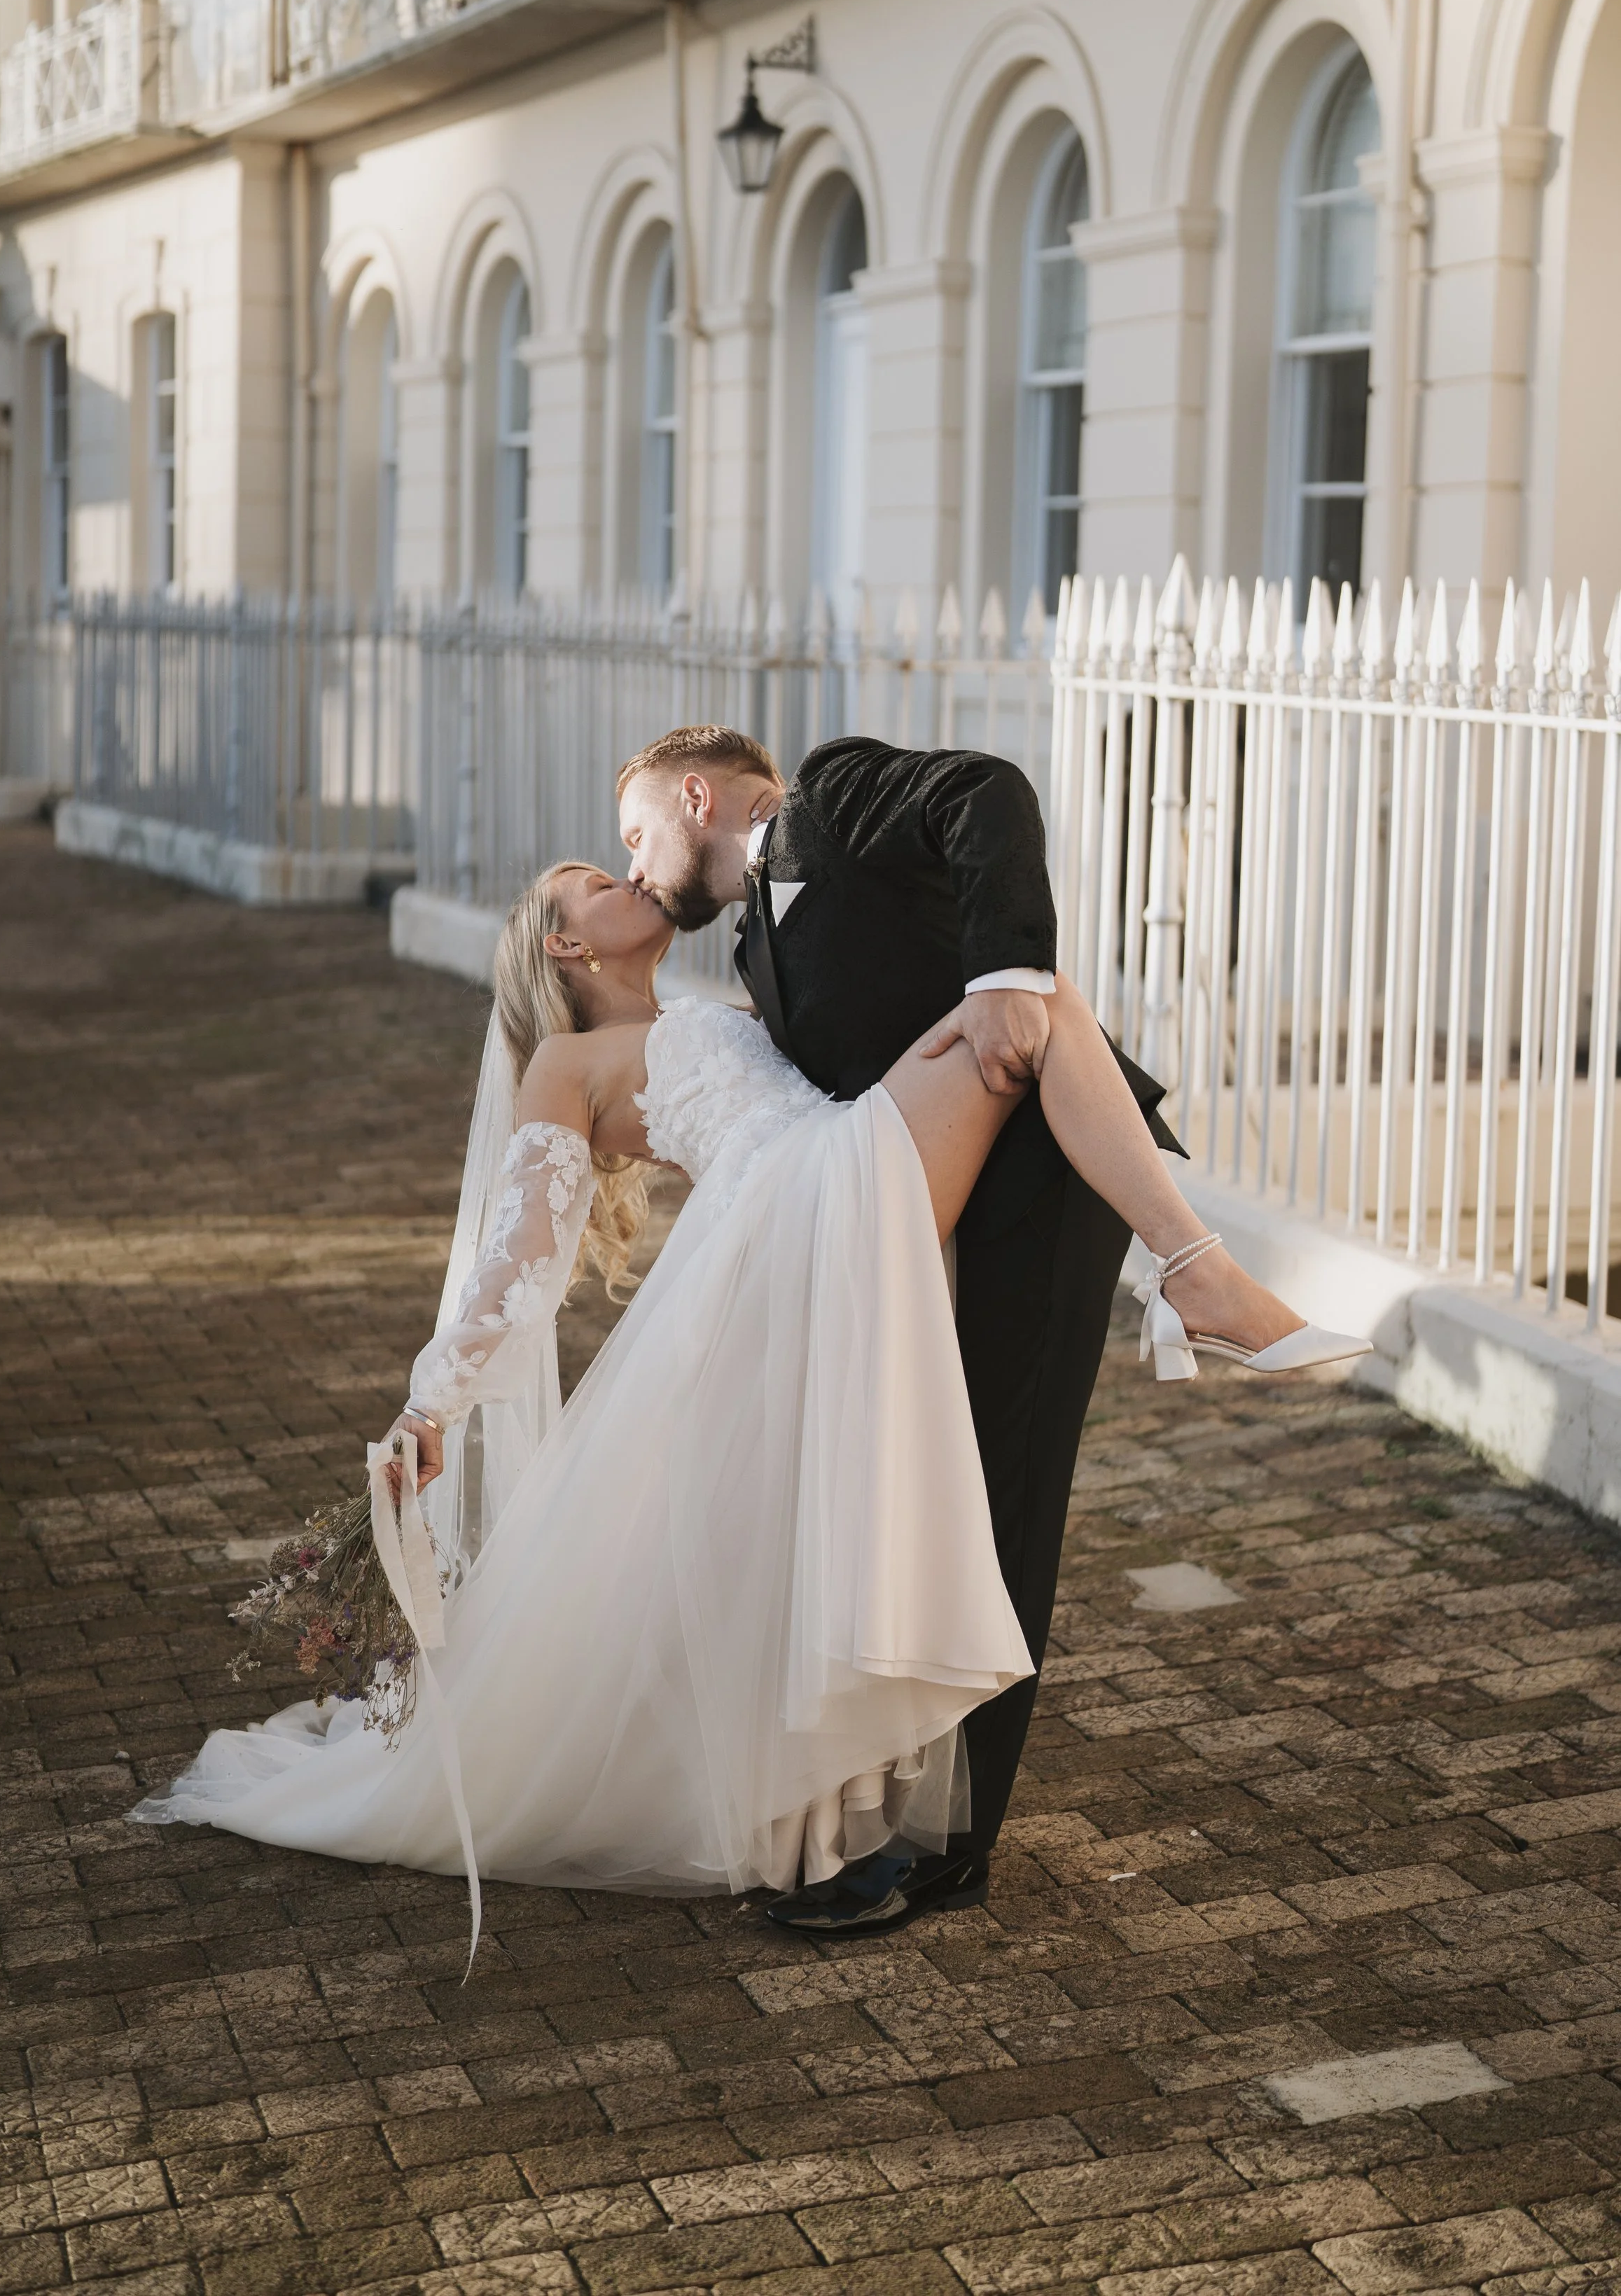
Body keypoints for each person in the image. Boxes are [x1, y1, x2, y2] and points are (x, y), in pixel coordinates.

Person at [135, 826, 1360, 1940]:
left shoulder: (713, 1000)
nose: (626, 880)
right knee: (1028, 997)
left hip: (811, 1199)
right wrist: (430, 1400)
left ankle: (1190, 1275)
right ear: (566, 941)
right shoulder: (565, 1062)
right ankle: (1198, 1275)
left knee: (1022, 1006)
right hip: (810, 1204)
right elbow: (519, 1258)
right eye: (595, 883)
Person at [615, 725, 1363, 1933]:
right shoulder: (753, 944)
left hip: (1058, 1183)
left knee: (1006, 1485)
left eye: (637, 835)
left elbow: (987, 792)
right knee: (937, 1492)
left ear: (694, 793)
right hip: (950, 1220)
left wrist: (1008, 972)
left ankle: (948, 1847)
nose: (638, 866)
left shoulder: (832, 796)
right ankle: (887, 1806)